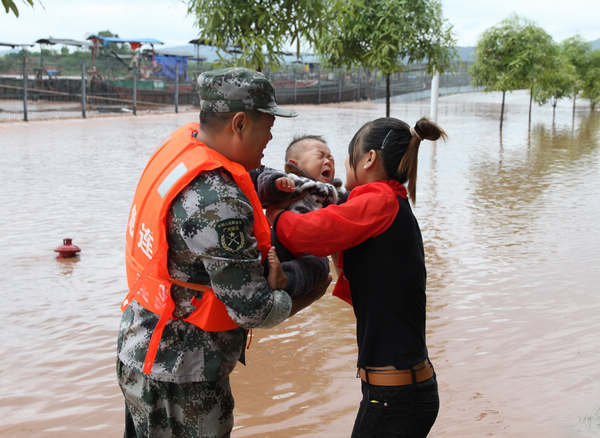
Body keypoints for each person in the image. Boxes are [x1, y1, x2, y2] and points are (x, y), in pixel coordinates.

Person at [117, 67, 330, 438]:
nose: (271, 136)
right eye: (268, 125)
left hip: (142, 349)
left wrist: (271, 190)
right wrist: (312, 275)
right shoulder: (219, 201)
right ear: (239, 123)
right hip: (181, 378)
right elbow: (255, 308)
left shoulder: (184, 148)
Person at [270, 116, 446, 437]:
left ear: (368, 158)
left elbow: (308, 233)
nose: (339, 164)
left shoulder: (379, 201)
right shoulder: (387, 202)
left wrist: (272, 215)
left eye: (347, 156)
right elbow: (335, 223)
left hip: (396, 396)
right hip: (400, 391)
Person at [251, 135, 346, 297]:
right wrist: (276, 184)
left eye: (331, 158)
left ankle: (283, 278)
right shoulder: (291, 182)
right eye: (320, 156)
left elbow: (351, 205)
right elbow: (263, 184)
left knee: (321, 267)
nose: (328, 161)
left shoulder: (334, 192)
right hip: (279, 244)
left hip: (308, 252)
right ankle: (276, 271)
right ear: (294, 165)